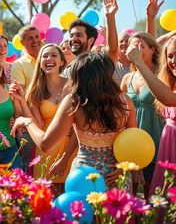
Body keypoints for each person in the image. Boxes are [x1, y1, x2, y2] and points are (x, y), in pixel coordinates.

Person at [11, 52, 137, 190]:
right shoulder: (125, 102)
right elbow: (133, 143)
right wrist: (126, 166)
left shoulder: (75, 102)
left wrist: (28, 122)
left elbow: (45, 144)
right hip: (117, 176)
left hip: (85, 177)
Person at [10, 43, 77, 195]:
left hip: (71, 148)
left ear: (61, 61)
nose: (49, 58)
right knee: (48, 198)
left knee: (71, 197)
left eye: (53, 55)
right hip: (47, 148)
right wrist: (22, 101)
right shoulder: (34, 92)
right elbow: (37, 125)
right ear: (40, 63)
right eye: (44, 56)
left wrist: (66, 157)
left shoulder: (73, 86)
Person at [126, 38, 176, 196]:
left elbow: (168, 99)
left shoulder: (163, 85)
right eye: (170, 56)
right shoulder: (171, 82)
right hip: (167, 145)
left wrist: (139, 63)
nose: (173, 61)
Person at [121, 32, 164, 199]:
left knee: (151, 197)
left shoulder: (162, 74)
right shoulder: (127, 78)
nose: (136, 50)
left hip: (155, 143)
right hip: (130, 146)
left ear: (153, 50)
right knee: (129, 195)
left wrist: (151, 18)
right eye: (133, 47)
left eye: (141, 46)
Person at [11, 25, 42, 172]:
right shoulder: (19, 65)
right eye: (30, 38)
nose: (35, 40)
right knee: (28, 164)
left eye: (36, 36)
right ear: (22, 42)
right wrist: (19, 121)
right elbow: (18, 96)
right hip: (29, 122)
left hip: (50, 118)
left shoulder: (47, 58)